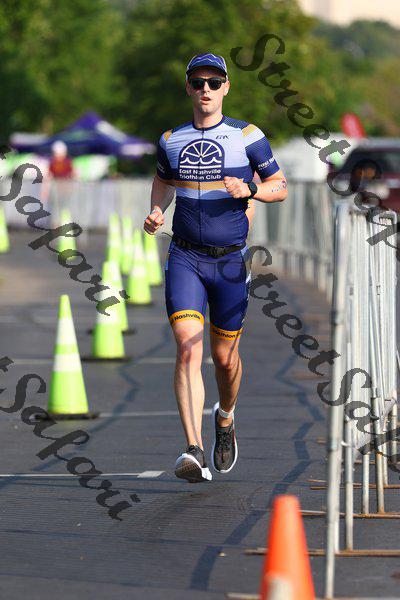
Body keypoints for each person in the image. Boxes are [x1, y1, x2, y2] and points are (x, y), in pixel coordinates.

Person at [143, 53, 287, 483]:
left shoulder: (247, 136)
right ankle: (193, 449)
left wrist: (251, 191)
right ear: (188, 87)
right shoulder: (171, 138)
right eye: (197, 82)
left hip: (228, 262)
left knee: (224, 359)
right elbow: (163, 181)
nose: (205, 89)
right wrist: (157, 210)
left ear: (226, 87)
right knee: (188, 347)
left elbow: (280, 186)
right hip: (185, 257)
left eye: (214, 81)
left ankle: (225, 416)